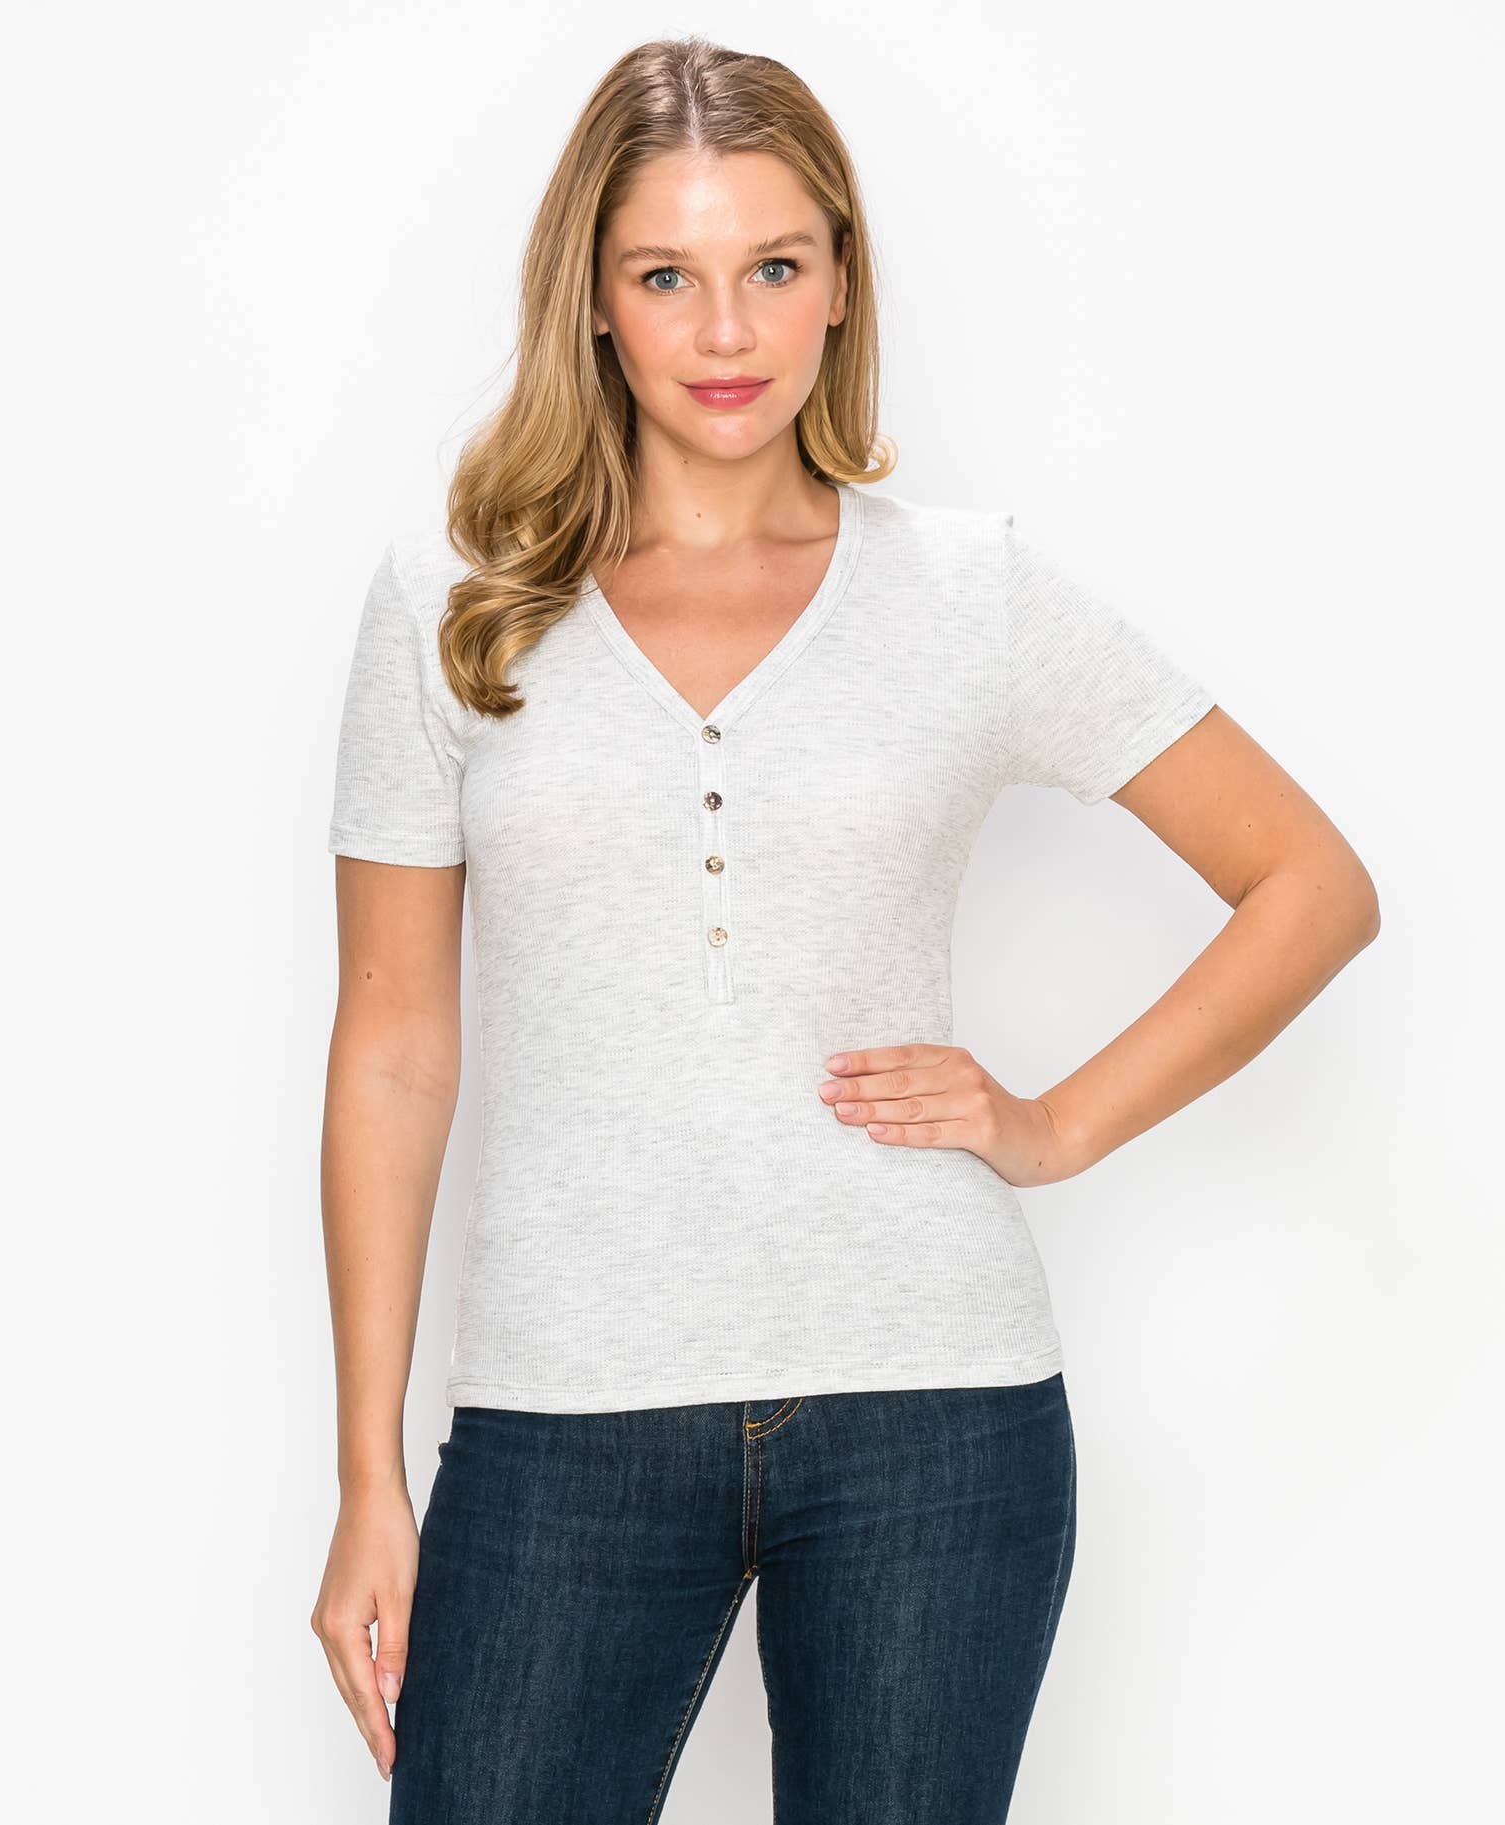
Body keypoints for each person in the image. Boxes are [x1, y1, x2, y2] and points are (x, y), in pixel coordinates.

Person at [312, 34, 1380, 1825]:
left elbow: (1309, 885)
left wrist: (1051, 1124)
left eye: (772, 267)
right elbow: (396, 1047)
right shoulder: (454, 607)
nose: (725, 331)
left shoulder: (969, 595)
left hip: (931, 1412)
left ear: (837, 283)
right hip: (564, 1410)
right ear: (592, 298)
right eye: (666, 275)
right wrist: (366, 1475)